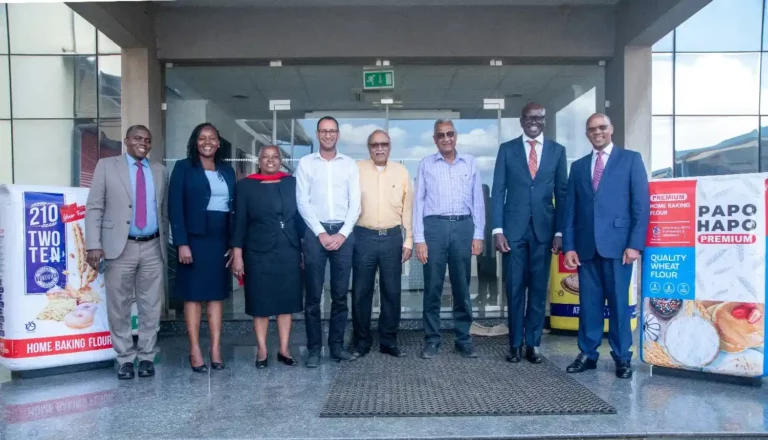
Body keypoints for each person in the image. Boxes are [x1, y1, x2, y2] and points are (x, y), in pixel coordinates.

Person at [562, 113, 649, 379]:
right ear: (587, 134)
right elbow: (570, 211)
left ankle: (623, 358)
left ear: (611, 129)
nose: (597, 132)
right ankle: (588, 354)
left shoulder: (630, 159)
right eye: (591, 129)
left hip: (619, 247)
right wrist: (569, 246)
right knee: (589, 305)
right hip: (587, 248)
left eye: (602, 127)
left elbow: (640, 205)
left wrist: (634, 244)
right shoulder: (577, 167)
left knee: (619, 306)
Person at [85, 125, 169, 380]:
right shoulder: (107, 166)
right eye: (137, 138)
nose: (142, 143)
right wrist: (93, 244)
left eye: (147, 139)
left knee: (151, 305)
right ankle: (124, 358)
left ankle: (145, 356)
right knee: (119, 305)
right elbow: (94, 207)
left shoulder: (160, 171)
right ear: (126, 141)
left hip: (153, 245)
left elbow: (163, 210)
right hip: (118, 246)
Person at [491, 103, 567, 364]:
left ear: (544, 121)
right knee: (514, 289)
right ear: (521, 121)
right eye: (529, 117)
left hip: (544, 232)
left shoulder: (557, 151)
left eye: (539, 118)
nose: (534, 121)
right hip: (513, 232)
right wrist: (498, 230)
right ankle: (514, 344)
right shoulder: (507, 150)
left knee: (537, 290)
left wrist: (559, 231)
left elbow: (562, 194)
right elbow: (498, 190)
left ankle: (532, 344)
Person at [414, 119, 484, 359]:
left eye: (450, 133)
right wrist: (419, 239)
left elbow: (478, 202)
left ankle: (463, 339)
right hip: (434, 227)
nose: (446, 138)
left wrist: (478, 234)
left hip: (463, 226)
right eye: (441, 135)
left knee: (462, 286)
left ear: (456, 136)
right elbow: (418, 203)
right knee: (432, 286)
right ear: (435, 139)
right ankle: (432, 339)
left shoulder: (470, 163)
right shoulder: (426, 165)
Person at [168, 122, 235, 373]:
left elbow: (233, 207)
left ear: (219, 143)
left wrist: (233, 242)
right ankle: (195, 348)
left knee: (216, 295)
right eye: (202, 137)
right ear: (195, 142)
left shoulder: (227, 170)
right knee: (194, 296)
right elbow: (175, 206)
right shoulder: (184, 168)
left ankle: (215, 348)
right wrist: (182, 243)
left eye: (212, 138)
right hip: (194, 240)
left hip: (220, 240)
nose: (207, 142)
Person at [295, 116, 361, 367]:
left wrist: (342, 233)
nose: (328, 135)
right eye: (323, 131)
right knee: (313, 296)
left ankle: (336, 347)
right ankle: (314, 349)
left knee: (340, 295)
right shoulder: (305, 164)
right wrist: (320, 232)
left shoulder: (349, 165)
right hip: (315, 233)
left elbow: (355, 204)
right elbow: (302, 201)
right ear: (317, 134)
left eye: (332, 131)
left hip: (344, 233)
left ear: (338, 134)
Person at [231, 145, 304, 368]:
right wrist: (238, 254)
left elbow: (301, 217)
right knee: (260, 301)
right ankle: (262, 349)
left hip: (288, 249)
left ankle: (284, 348)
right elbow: (239, 222)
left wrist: (303, 249)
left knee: (286, 301)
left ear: (281, 160)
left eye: (275, 157)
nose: (270, 160)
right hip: (257, 251)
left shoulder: (292, 182)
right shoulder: (245, 186)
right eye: (265, 157)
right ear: (259, 160)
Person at [351, 130, 413, 358]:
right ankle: (361, 341)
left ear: (390, 146)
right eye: (374, 144)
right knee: (360, 292)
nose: (379, 148)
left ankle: (388, 340)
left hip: (392, 238)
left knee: (391, 291)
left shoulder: (402, 172)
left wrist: (408, 241)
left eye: (384, 144)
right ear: (369, 148)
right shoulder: (356, 169)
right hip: (363, 237)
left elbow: (408, 209)